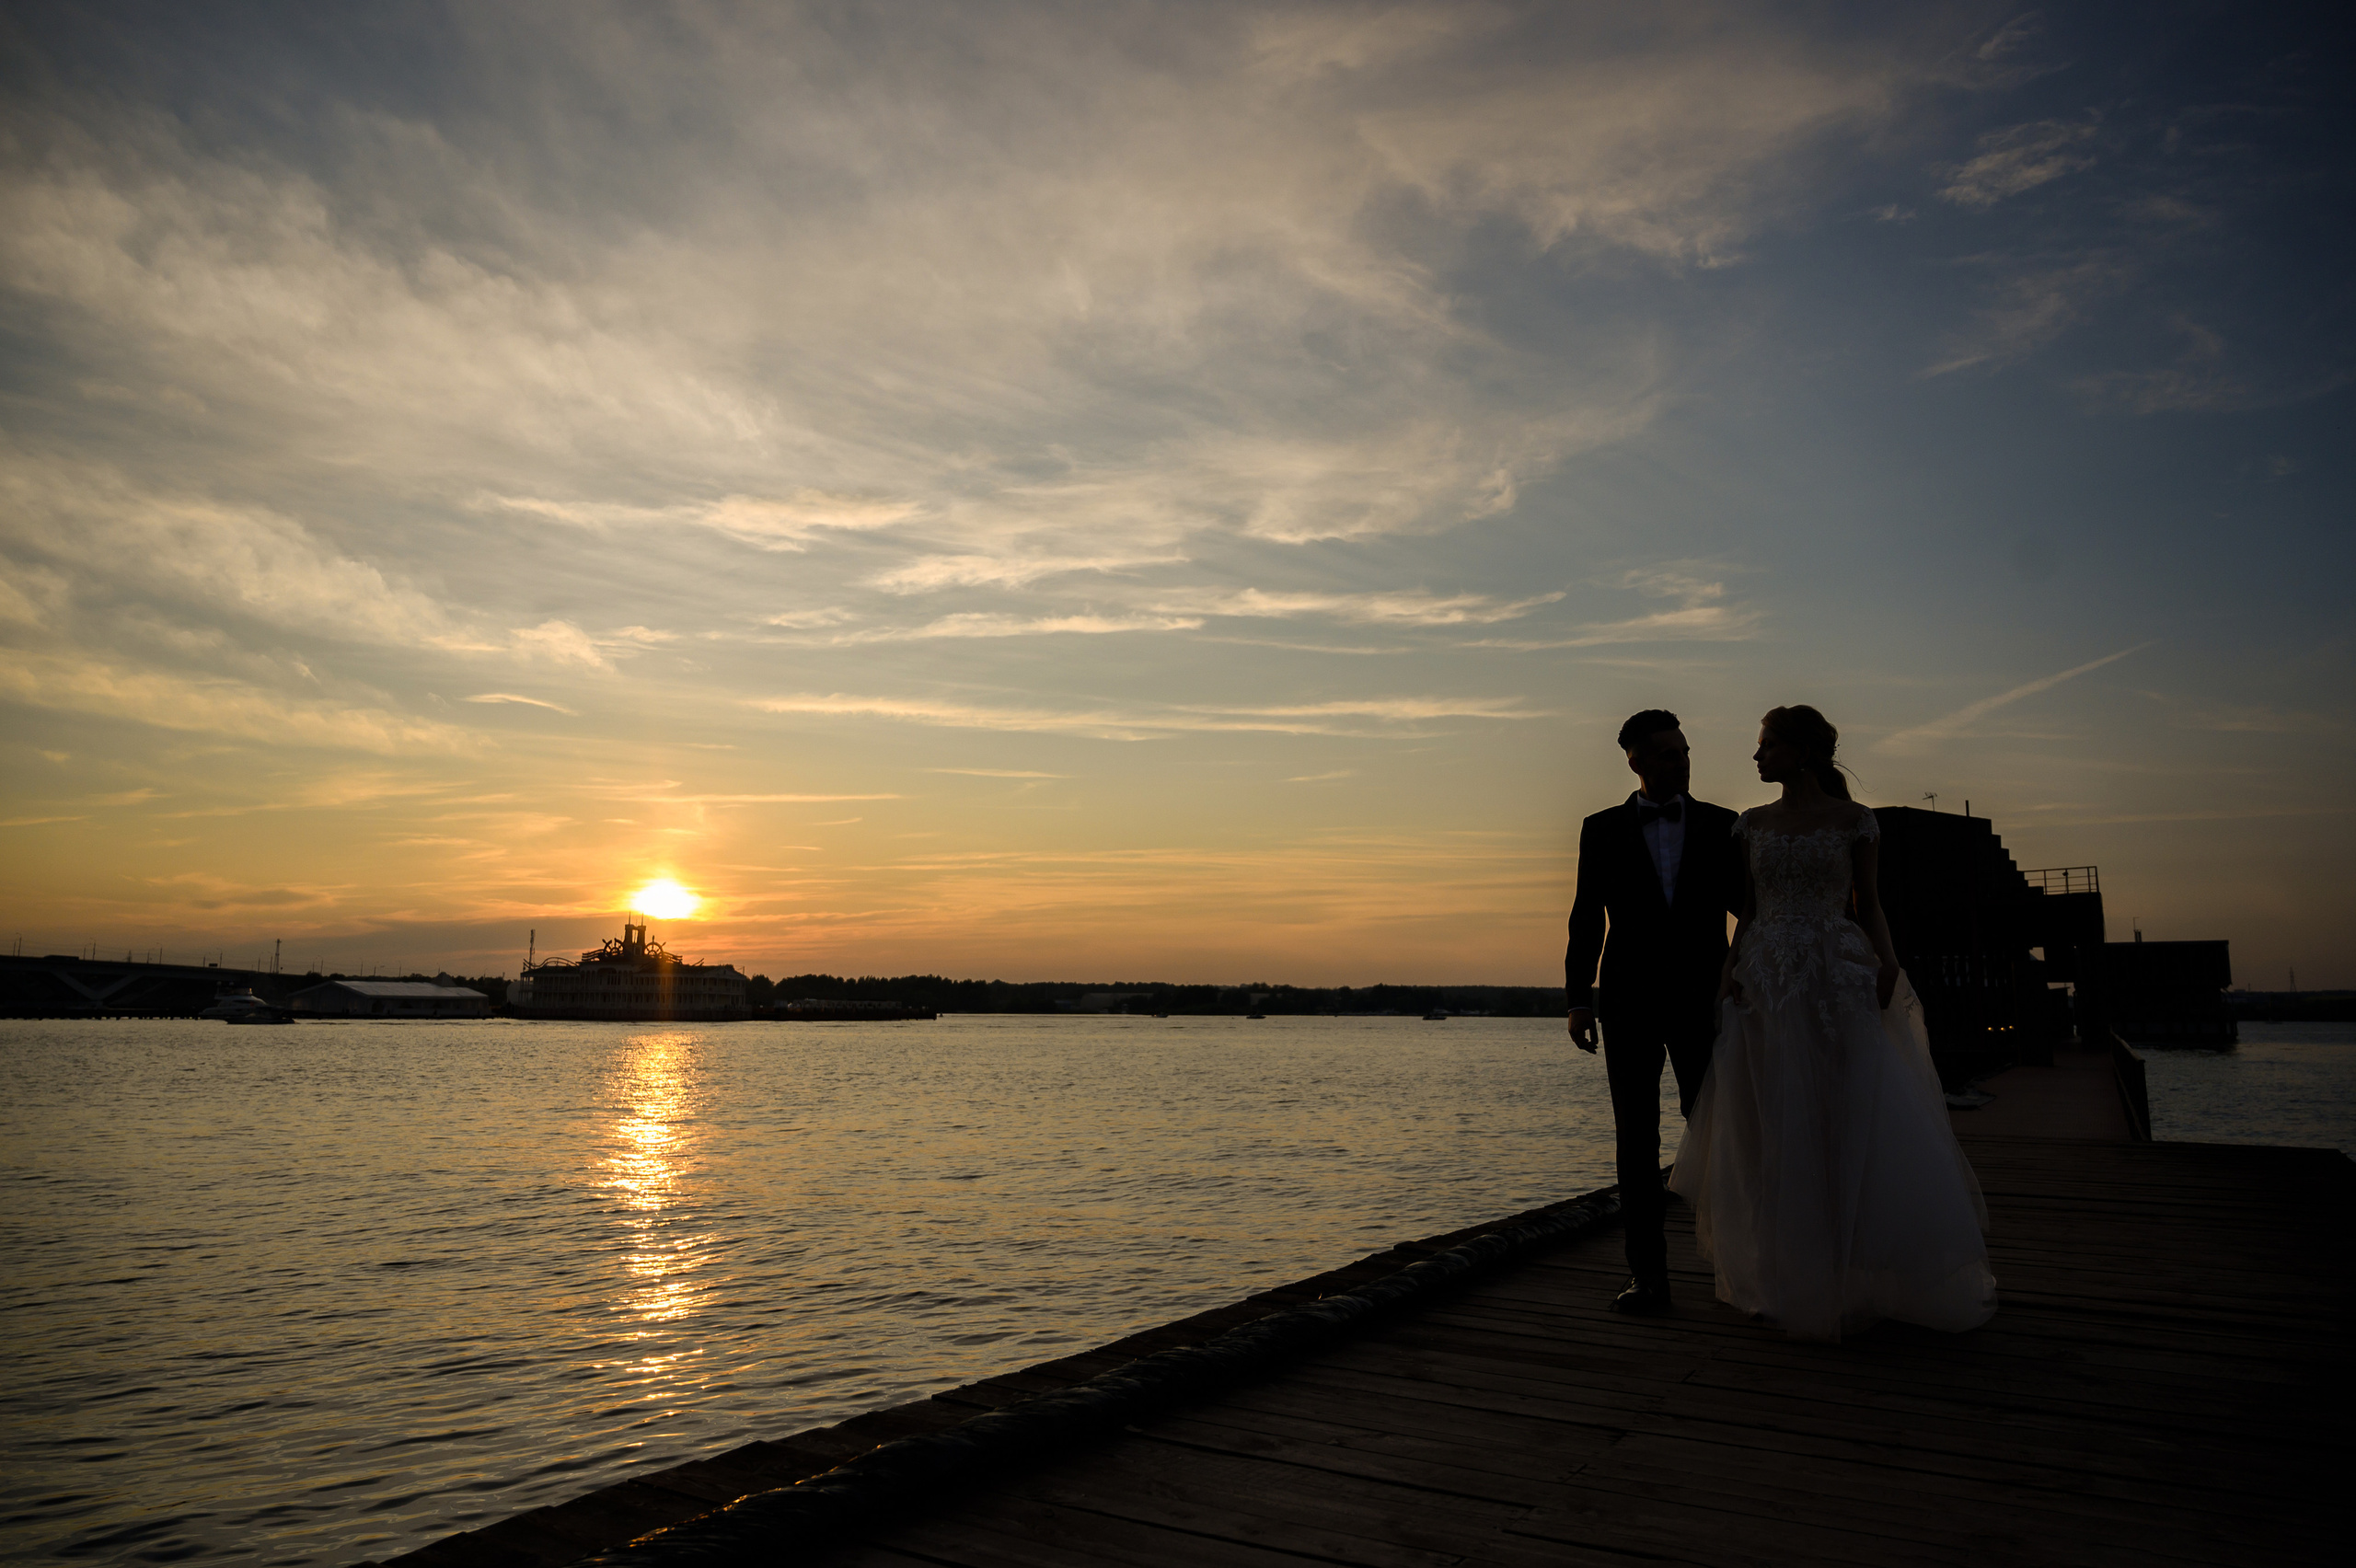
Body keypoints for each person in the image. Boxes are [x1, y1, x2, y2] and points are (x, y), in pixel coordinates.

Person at [1669, 705, 1997, 1342]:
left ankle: (1856, 1272)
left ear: (1801, 752)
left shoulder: (1854, 822)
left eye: (1766, 746)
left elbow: (1868, 904)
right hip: (1764, 979)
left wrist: (1889, 965)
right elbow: (1748, 911)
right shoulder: (1750, 825)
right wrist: (1730, 967)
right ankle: (1780, 1277)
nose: (1756, 757)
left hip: (1833, 974)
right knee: (1767, 1125)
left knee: (1839, 1116)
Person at [1566, 709, 1743, 1314]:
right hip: (1628, 999)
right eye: (1668, 754)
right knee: (1635, 1141)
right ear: (1635, 761)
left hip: (1704, 1001)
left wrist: (1741, 980)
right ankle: (1648, 1278)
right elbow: (1587, 915)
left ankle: (1741, 1270)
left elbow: (1752, 912)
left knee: (1718, 1132)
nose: (1682, 762)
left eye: (1685, 751)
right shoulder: (1601, 828)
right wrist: (1576, 999)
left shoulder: (1726, 826)